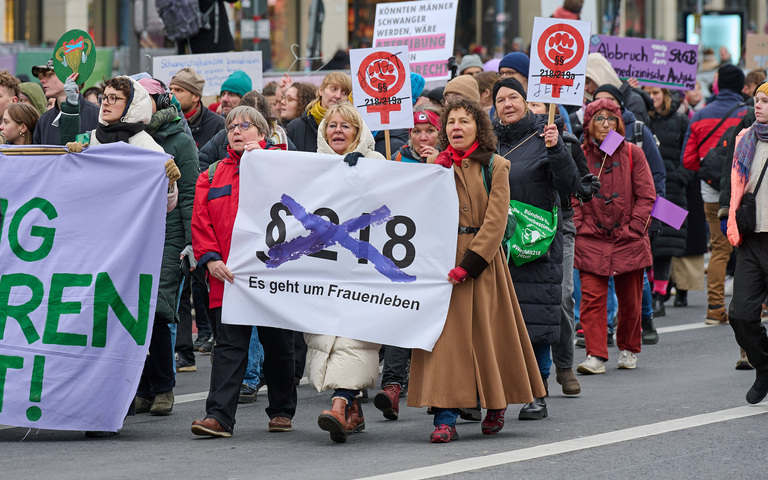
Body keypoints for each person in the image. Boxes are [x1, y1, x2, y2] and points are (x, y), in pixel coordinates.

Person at [407, 97, 546, 443]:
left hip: (483, 265)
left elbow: (496, 221)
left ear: (478, 128)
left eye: (464, 121)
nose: (456, 127)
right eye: (451, 122)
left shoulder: (497, 165)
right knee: (444, 343)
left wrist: (470, 265)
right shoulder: (434, 165)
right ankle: (445, 417)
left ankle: (496, 404)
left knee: (490, 339)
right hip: (442, 264)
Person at [191, 105, 297, 437]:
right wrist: (210, 259)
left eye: (245, 125)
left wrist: (264, 161)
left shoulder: (283, 166)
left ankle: (281, 411)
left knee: (278, 346)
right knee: (229, 347)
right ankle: (218, 416)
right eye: (231, 126)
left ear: (262, 134)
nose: (236, 130)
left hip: (271, 275)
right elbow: (201, 222)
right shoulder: (211, 175)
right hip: (228, 276)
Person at [493, 78, 580, 418]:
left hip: (535, 240)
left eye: (513, 97)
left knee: (537, 317)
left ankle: (537, 392)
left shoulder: (547, 134)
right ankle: (494, 391)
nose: (507, 104)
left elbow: (569, 185)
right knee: (497, 320)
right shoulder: (488, 141)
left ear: (526, 101)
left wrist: (557, 149)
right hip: (496, 240)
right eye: (501, 100)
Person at [307, 102, 384, 443]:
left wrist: (363, 174)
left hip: (363, 269)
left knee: (355, 338)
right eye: (331, 125)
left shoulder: (377, 163)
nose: (337, 130)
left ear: (358, 131)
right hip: (324, 269)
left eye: (345, 125)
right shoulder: (310, 166)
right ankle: (353, 409)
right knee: (327, 336)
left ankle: (340, 403)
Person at [574, 98, 655, 375]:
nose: (606, 124)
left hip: (627, 238)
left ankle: (629, 348)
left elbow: (647, 195)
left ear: (619, 123)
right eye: (599, 118)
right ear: (589, 124)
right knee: (591, 300)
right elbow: (571, 193)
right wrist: (580, 225)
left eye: (611, 119)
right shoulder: (580, 155)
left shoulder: (633, 153)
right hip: (591, 237)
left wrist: (634, 228)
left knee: (631, 300)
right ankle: (595, 354)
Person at [132, 77, 199, 382]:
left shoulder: (180, 141)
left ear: (160, 102)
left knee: (159, 308)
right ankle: (142, 387)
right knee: (135, 309)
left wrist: (191, 242)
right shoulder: (127, 137)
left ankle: (163, 386)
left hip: (169, 236)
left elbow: (189, 195)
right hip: (136, 236)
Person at [681, 64, 749, 325]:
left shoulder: (700, 115)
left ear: (718, 85)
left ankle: (715, 308)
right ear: (742, 86)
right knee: (751, 249)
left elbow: (687, 160)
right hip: (746, 189)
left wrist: (708, 171)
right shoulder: (748, 113)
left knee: (720, 249)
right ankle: (757, 305)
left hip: (711, 190)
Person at [726, 82, 768, 404]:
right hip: (752, 239)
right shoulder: (745, 138)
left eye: (765, 101)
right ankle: (764, 367)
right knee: (740, 314)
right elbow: (734, 184)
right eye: (757, 99)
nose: (758, 105)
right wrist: (728, 216)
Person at [644, 86, 692, 325]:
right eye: (648, 93)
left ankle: (659, 296)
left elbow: (690, 151)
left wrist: (682, 176)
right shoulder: (642, 121)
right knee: (648, 245)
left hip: (671, 191)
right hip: (646, 189)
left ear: (665, 95)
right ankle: (651, 289)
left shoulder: (681, 121)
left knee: (665, 246)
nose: (652, 97)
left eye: (655, 93)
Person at [32, 60, 100, 145]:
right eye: (42, 76)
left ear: (72, 76)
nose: (42, 80)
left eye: (50, 74)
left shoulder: (97, 115)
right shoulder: (43, 121)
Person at [286, 72, 352, 152]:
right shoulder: (296, 127)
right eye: (334, 89)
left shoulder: (354, 128)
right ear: (321, 90)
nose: (338, 96)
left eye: (344, 93)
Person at [585, 53, 651, 125]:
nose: (585, 88)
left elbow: (628, 130)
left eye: (588, 82)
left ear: (601, 76)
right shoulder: (588, 106)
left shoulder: (633, 101)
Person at [169, 67, 225, 149]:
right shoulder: (166, 120)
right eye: (170, 89)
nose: (171, 93)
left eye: (179, 90)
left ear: (195, 97)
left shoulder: (217, 124)